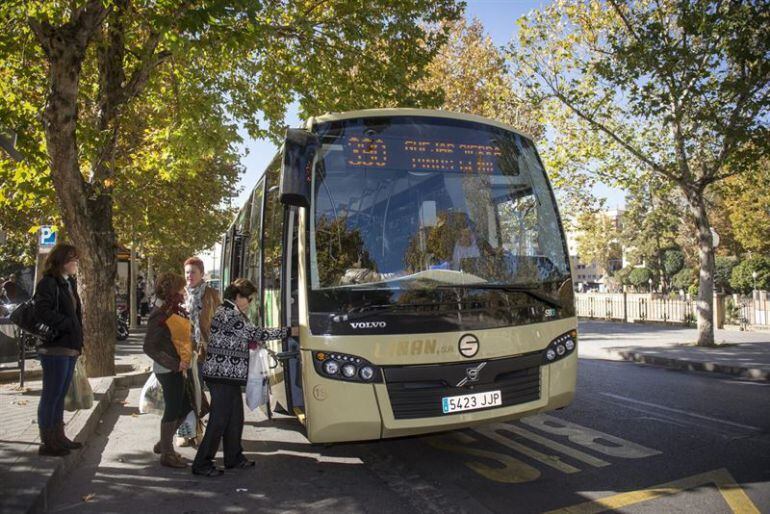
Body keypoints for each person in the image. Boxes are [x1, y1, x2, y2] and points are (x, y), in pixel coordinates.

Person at [191, 278, 291, 476]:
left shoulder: (231, 312)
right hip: (222, 375)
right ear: (238, 297)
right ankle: (201, 463)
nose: (250, 303)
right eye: (249, 299)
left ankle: (234, 458)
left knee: (235, 417)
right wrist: (289, 331)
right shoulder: (228, 313)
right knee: (219, 419)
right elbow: (254, 333)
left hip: (229, 375)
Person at [33, 244, 83, 457]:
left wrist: (77, 339)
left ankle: (59, 436)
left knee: (60, 394)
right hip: (54, 347)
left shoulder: (68, 283)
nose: (76, 263)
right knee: (51, 395)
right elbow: (41, 311)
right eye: (73, 259)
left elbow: (75, 314)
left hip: (69, 347)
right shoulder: (49, 283)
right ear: (62, 261)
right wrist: (67, 324)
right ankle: (47, 442)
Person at [142, 272, 193, 468]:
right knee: (174, 409)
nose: (183, 291)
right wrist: (174, 363)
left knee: (185, 406)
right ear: (173, 290)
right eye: (180, 288)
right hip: (168, 369)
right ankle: (167, 453)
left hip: (175, 367)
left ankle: (163, 444)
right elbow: (149, 346)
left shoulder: (172, 309)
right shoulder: (160, 313)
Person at [178, 257, 221, 447]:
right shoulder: (180, 295)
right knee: (187, 394)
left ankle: (207, 430)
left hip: (207, 350)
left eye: (193, 272)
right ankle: (187, 432)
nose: (189, 276)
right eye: (187, 272)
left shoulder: (212, 294)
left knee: (212, 393)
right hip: (185, 351)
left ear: (202, 274)